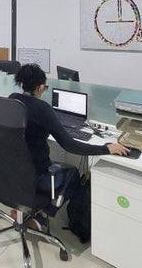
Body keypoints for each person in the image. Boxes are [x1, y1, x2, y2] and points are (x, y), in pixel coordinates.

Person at [9, 63, 130, 229]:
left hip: (13, 172)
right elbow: (69, 145)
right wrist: (106, 148)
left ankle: (23, 208)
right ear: (40, 88)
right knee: (73, 174)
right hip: (37, 176)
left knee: (56, 165)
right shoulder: (42, 109)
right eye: (45, 87)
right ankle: (41, 216)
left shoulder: (13, 99)